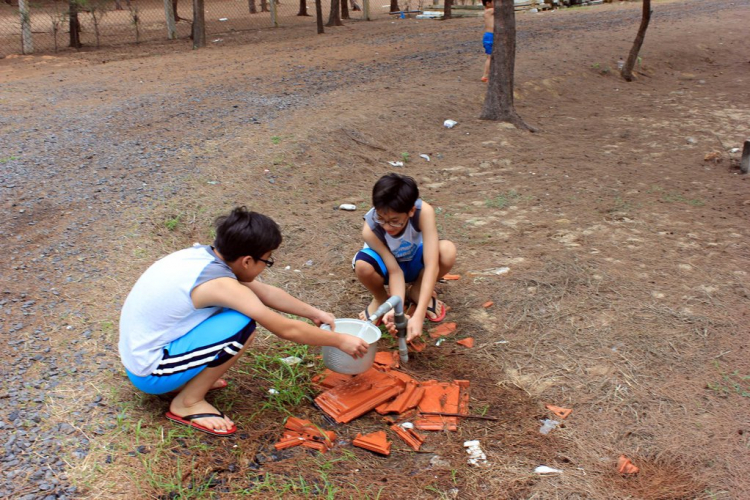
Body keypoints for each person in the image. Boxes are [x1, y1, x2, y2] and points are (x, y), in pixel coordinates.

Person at [119, 207, 369, 437]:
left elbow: (265, 292)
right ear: (247, 261)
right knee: (242, 325)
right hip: (150, 371)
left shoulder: (203, 257)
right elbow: (286, 328)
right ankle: (187, 402)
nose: (265, 267)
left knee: (238, 313)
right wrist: (339, 341)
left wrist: (314, 312)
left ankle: (185, 379)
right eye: (267, 260)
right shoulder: (220, 284)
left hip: (142, 353)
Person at [353, 173, 457, 342]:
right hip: (388, 268)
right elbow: (395, 272)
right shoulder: (370, 229)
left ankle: (417, 289)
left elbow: (431, 265)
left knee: (447, 251)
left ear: (411, 211)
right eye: (381, 219)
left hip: (414, 260)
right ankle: (381, 299)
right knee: (363, 265)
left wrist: (419, 314)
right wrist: (397, 309)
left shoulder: (424, 212)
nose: (387, 226)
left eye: (395, 221)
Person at [481, 0, 494, 82]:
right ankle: (485, 76)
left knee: (491, 57)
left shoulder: (489, 11)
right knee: (489, 57)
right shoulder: (489, 11)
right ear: (488, 3)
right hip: (489, 36)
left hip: (491, 35)